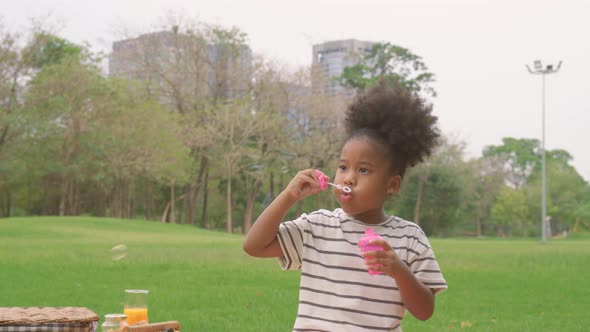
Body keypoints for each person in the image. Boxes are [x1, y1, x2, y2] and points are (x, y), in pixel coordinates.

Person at [243, 79, 447, 331]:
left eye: (363, 169)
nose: (348, 177)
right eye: (343, 167)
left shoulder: (410, 237)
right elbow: (253, 246)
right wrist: (288, 196)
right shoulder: (317, 226)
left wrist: (399, 270)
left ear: (392, 185)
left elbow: (425, 311)